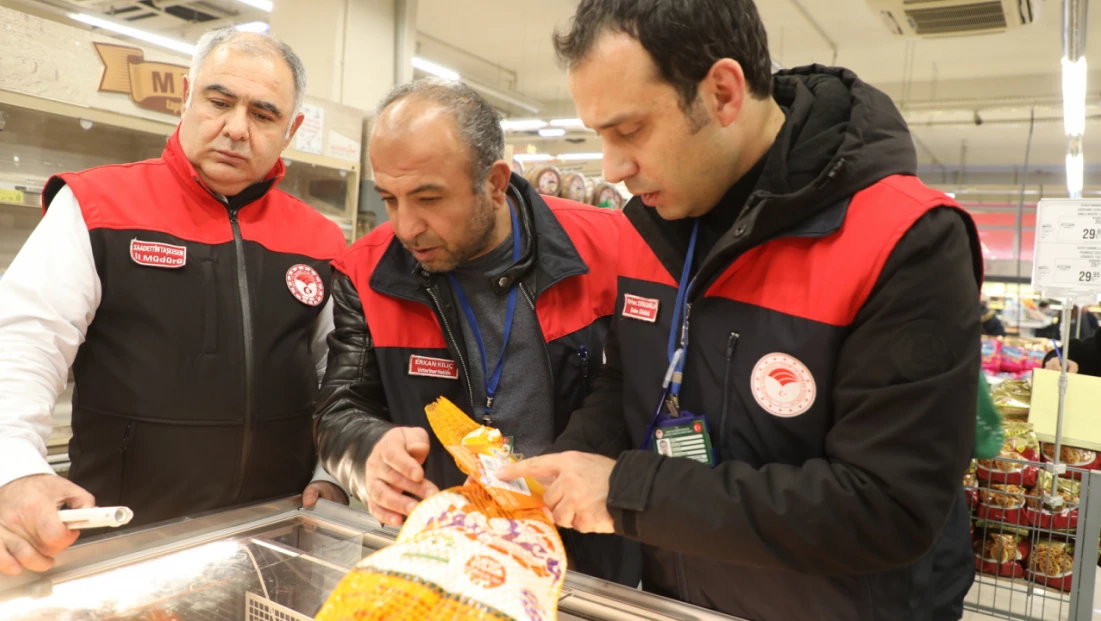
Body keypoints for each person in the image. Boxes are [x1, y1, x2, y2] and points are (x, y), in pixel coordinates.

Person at [497, 1, 983, 619]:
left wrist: (627, 493)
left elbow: (886, 507)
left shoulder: (906, 240)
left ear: (723, 93)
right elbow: (631, 385)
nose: (613, 169)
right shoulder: (649, 228)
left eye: (628, 130)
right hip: (678, 603)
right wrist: (562, 471)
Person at [0, 28, 348, 577]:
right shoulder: (95, 206)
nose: (236, 128)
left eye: (263, 114)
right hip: (120, 540)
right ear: (186, 97)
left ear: (292, 130)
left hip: (276, 533)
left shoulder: (322, 241)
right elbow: (22, 342)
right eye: (218, 101)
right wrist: (15, 469)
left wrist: (333, 468)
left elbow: (342, 375)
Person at [312, 78, 640, 585]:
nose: (406, 227)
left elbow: (633, 391)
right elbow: (341, 406)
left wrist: (558, 472)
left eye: (428, 198)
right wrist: (368, 453)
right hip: (440, 560)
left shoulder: (609, 250)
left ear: (493, 182)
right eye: (390, 199)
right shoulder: (366, 271)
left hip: (583, 565)